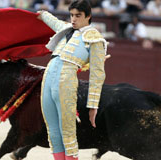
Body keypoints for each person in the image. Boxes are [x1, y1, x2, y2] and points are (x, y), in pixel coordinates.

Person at [37, 0, 109, 159]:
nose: (73, 19)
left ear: (88, 16)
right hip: (48, 79)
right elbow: (52, 21)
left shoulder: (95, 38)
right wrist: (41, 14)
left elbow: (97, 73)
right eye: (71, 15)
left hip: (66, 82)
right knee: (53, 132)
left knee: (67, 132)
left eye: (78, 15)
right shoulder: (66, 28)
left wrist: (93, 105)